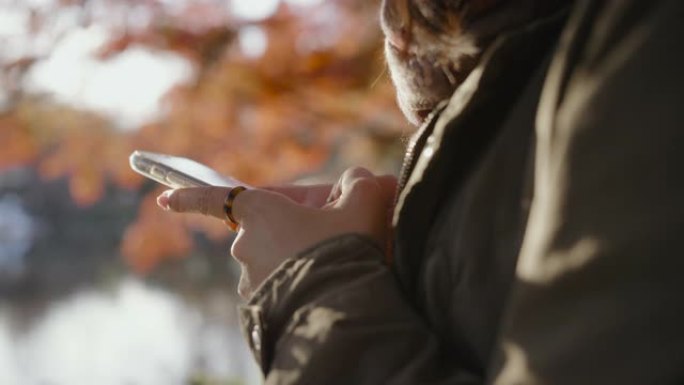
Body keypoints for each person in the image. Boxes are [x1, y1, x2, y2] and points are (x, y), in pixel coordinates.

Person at [156, 0, 684, 383]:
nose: (387, 20)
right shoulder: (544, 54)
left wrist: (314, 286)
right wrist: (404, 244)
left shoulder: (644, 38)